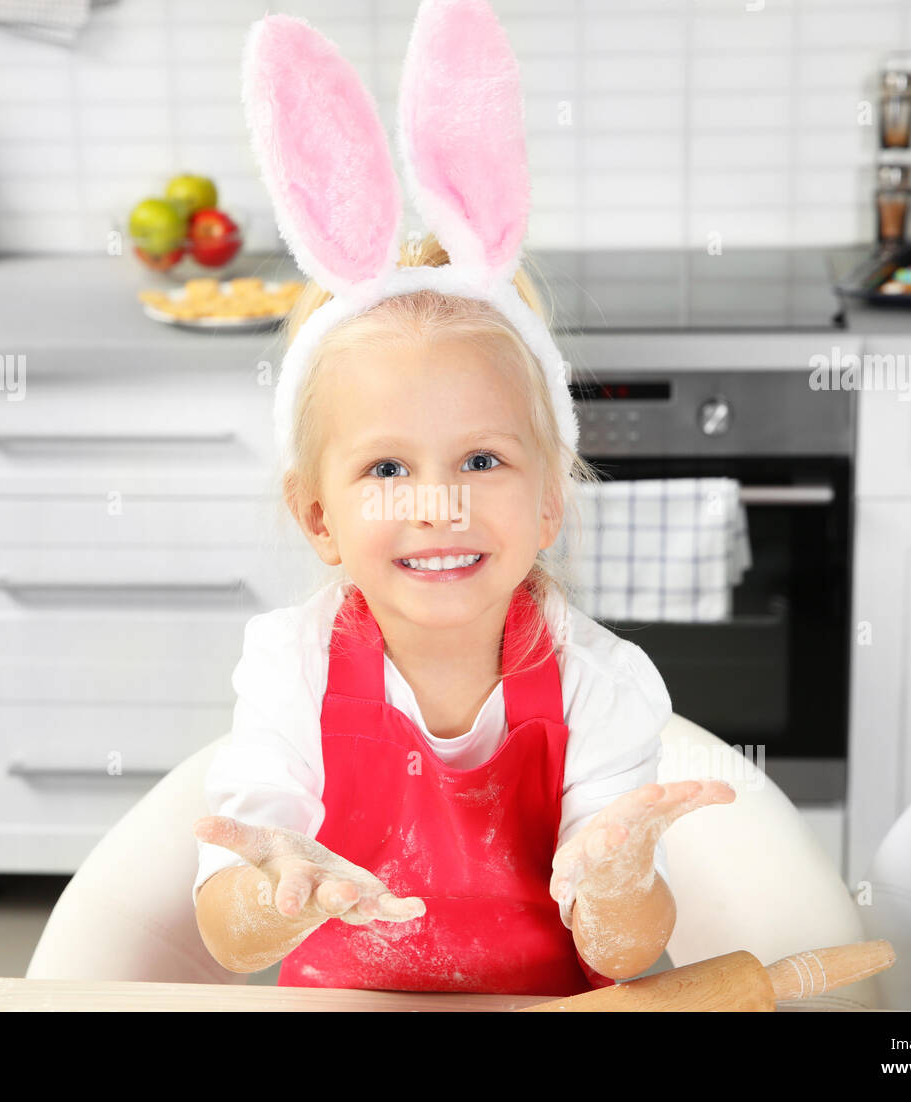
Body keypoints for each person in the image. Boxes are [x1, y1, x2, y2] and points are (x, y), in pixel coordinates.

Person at [193, 1, 733, 997]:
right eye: (386, 469)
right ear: (317, 517)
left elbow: (625, 948)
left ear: (549, 504)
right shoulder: (287, 669)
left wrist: (615, 878)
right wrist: (268, 890)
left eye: (482, 460)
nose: (437, 505)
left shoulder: (600, 686)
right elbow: (230, 932)